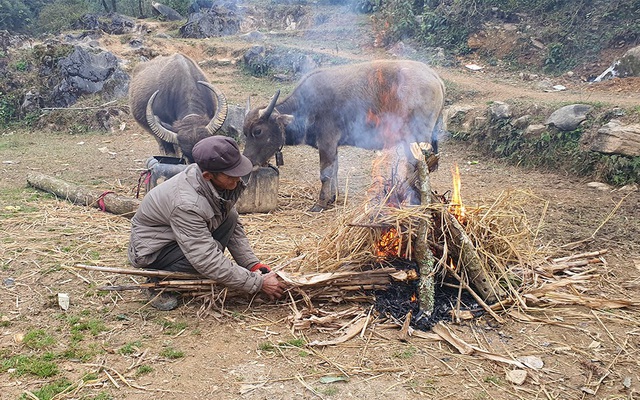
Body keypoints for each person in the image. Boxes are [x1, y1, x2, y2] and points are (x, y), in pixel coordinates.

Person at [128, 136, 286, 310]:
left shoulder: (216, 183)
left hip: (178, 236)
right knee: (213, 252)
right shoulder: (186, 203)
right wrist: (256, 282)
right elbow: (205, 258)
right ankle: (159, 280)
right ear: (208, 175)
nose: (238, 179)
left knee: (230, 217)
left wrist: (253, 265)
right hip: (154, 251)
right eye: (231, 175)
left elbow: (233, 228)